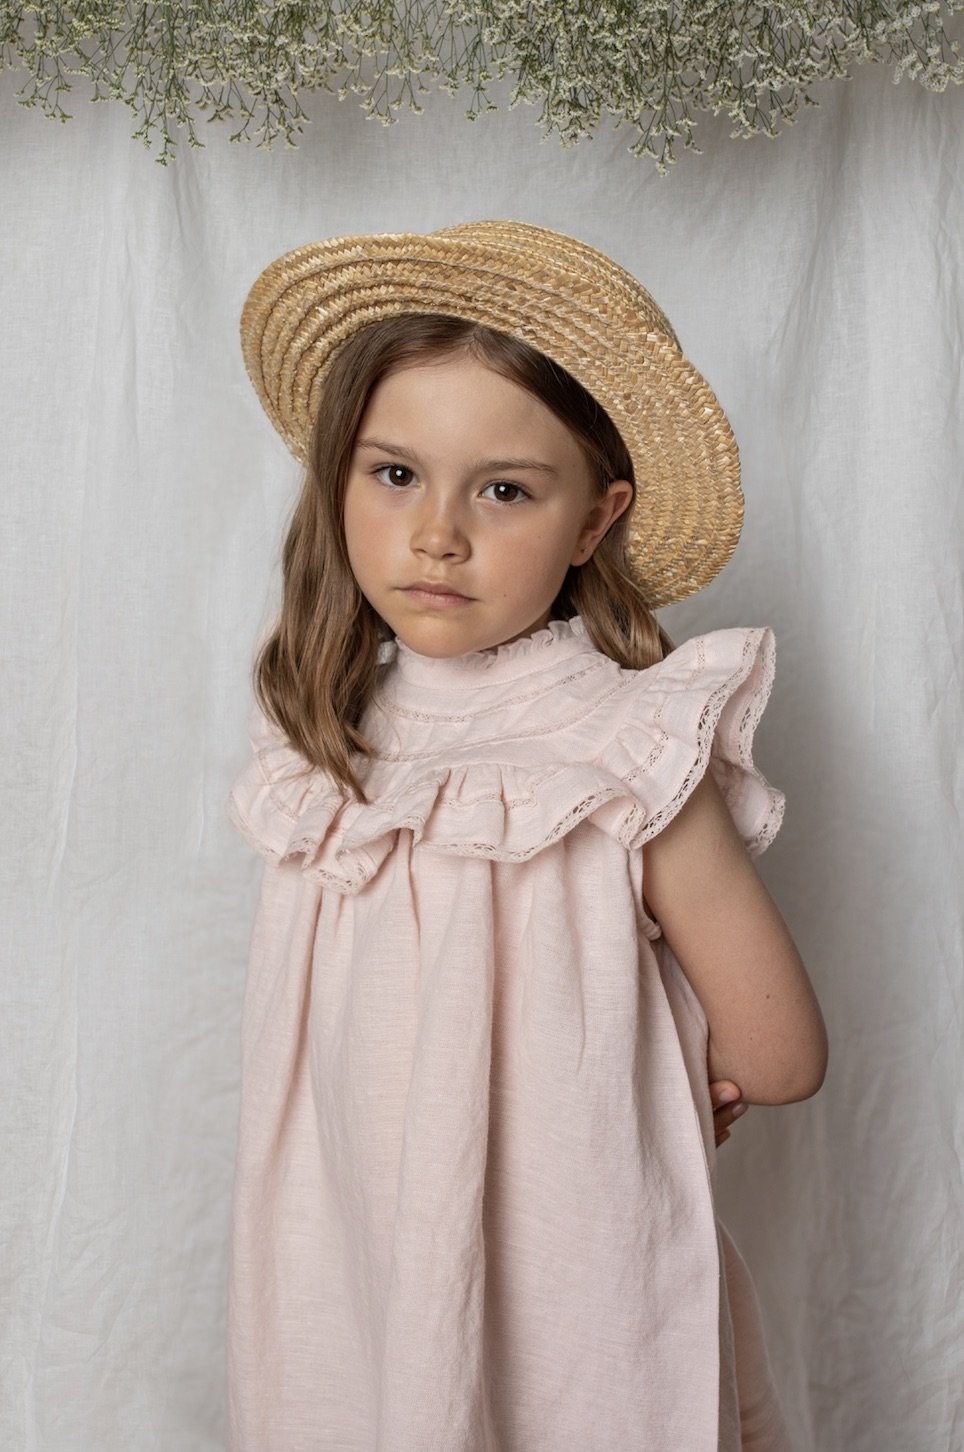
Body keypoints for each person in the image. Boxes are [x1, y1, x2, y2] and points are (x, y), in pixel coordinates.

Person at [227, 221, 828, 1451]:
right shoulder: (321, 741)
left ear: (595, 520)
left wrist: (656, 1063)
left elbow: (779, 1057)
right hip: (358, 1266)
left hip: (548, 1276)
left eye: (502, 489)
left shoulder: (624, 750)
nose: (437, 532)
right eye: (397, 474)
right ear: (337, 478)